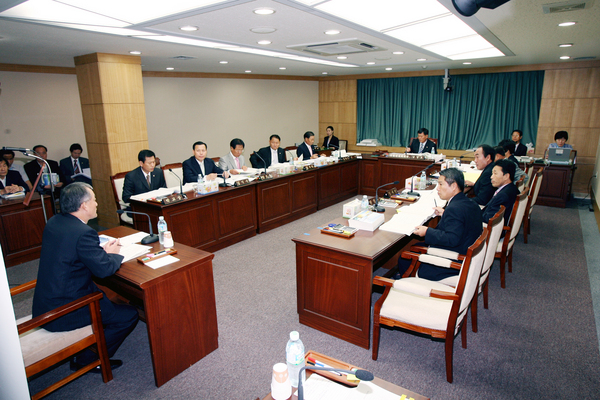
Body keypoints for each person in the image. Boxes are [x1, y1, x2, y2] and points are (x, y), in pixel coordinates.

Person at [32, 182, 139, 372]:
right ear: (83, 206)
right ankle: (89, 359)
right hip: (67, 309)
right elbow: (105, 270)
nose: (97, 204)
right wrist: (113, 254)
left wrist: (97, 253)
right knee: (129, 315)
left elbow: (71, 254)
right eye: (94, 200)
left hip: (46, 302)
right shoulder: (83, 233)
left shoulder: (55, 222)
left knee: (111, 297)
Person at [396, 168, 483, 281]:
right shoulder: (469, 203)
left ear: (453, 186)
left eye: (441, 184)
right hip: (465, 250)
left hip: (452, 261)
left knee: (405, 257)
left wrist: (427, 231)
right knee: (417, 246)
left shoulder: (454, 208)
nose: (438, 188)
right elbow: (462, 220)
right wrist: (445, 213)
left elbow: (452, 239)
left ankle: (409, 282)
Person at [482, 159, 519, 225]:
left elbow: (489, 219)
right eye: (492, 173)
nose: (491, 177)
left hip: (490, 227)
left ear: (506, 176)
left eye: (495, 173)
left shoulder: (503, 196)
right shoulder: (512, 188)